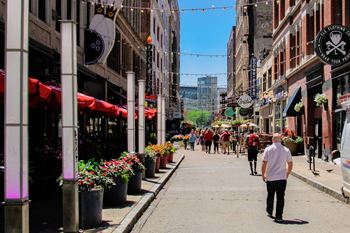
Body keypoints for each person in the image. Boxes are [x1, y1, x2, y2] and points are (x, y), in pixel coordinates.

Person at [261, 133, 293, 223]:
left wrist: (263, 174)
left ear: (272, 140)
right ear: (280, 140)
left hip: (271, 177)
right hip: (282, 177)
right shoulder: (286, 150)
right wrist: (288, 173)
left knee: (270, 195)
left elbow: (264, 163)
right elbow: (290, 163)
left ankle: (269, 211)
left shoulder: (268, 149)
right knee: (280, 197)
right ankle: (279, 216)